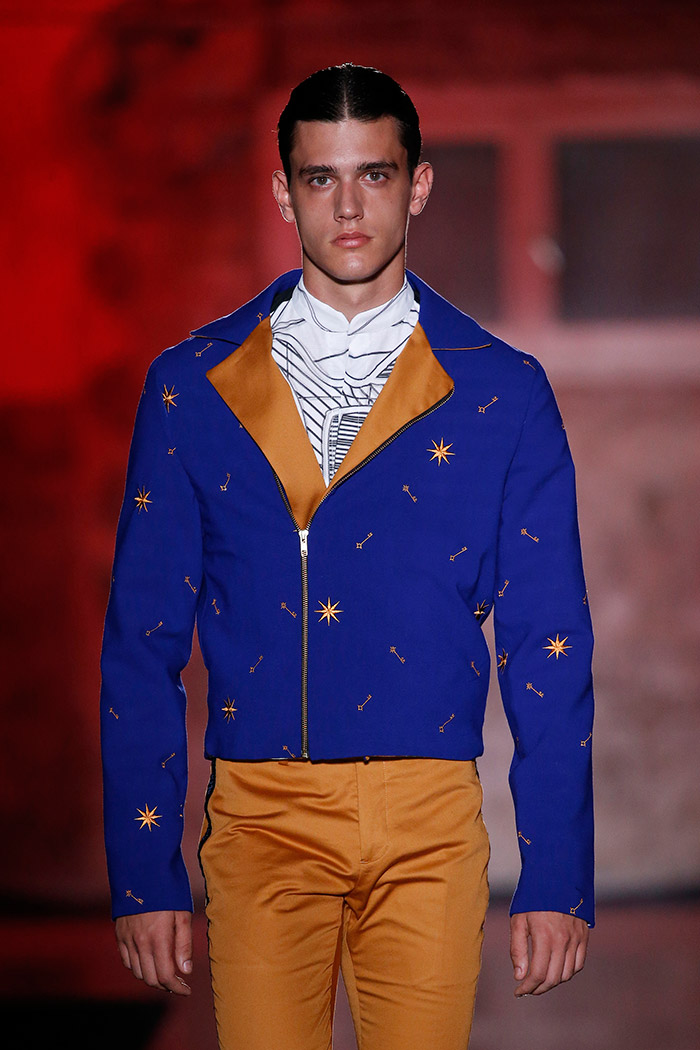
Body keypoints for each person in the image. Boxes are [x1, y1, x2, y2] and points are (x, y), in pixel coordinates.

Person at [101, 63, 594, 1050]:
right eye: (320, 178)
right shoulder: (193, 386)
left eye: (375, 174)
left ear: (418, 184)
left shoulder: (500, 392)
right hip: (260, 813)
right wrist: (144, 871)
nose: (349, 206)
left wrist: (558, 873)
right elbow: (140, 640)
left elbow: (549, 640)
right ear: (283, 192)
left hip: (428, 816)